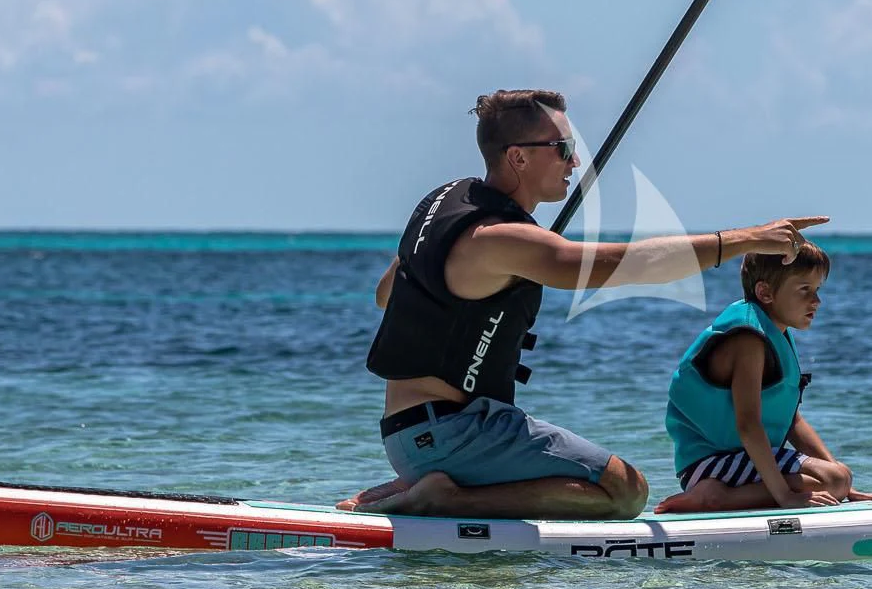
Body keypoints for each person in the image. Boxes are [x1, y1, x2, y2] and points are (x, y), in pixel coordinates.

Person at [339, 89, 827, 520]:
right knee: (625, 492)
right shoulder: (500, 238)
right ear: (519, 158)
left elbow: (389, 293)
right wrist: (745, 240)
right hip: (456, 433)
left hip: (409, 434)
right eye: (564, 149)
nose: (576, 163)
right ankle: (441, 498)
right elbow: (628, 265)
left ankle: (425, 484)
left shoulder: (445, 202)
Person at [654, 242, 872, 513]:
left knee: (837, 476)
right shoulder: (748, 340)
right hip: (711, 464)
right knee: (834, 479)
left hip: (738, 462)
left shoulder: (773, 331)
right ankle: (716, 498)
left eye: (817, 290)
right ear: (765, 293)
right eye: (804, 290)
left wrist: (842, 484)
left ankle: (727, 493)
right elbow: (748, 425)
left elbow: (791, 421)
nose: (816, 301)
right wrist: (786, 496)